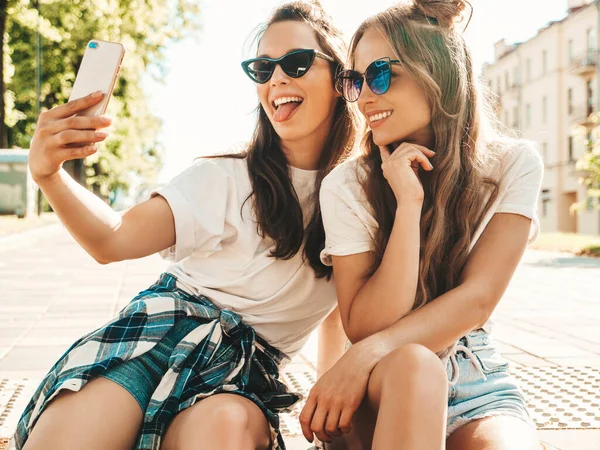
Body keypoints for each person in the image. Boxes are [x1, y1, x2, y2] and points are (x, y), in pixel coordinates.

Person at [8, 2, 359, 449]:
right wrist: (48, 176)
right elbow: (113, 239)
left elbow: (338, 312)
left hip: (241, 373)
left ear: (340, 78)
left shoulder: (359, 196)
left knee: (222, 429)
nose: (277, 79)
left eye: (296, 62)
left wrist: (332, 427)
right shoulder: (227, 177)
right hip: (156, 338)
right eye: (263, 67)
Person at [299, 1, 544, 449]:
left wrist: (363, 354)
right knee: (414, 365)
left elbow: (477, 300)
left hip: (475, 379)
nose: (365, 97)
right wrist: (408, 208)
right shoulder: (347, 185)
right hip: (382, 382)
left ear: (439, 73)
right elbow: (365, 325)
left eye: (379, 74)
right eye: (355, 81)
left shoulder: (512, 165)